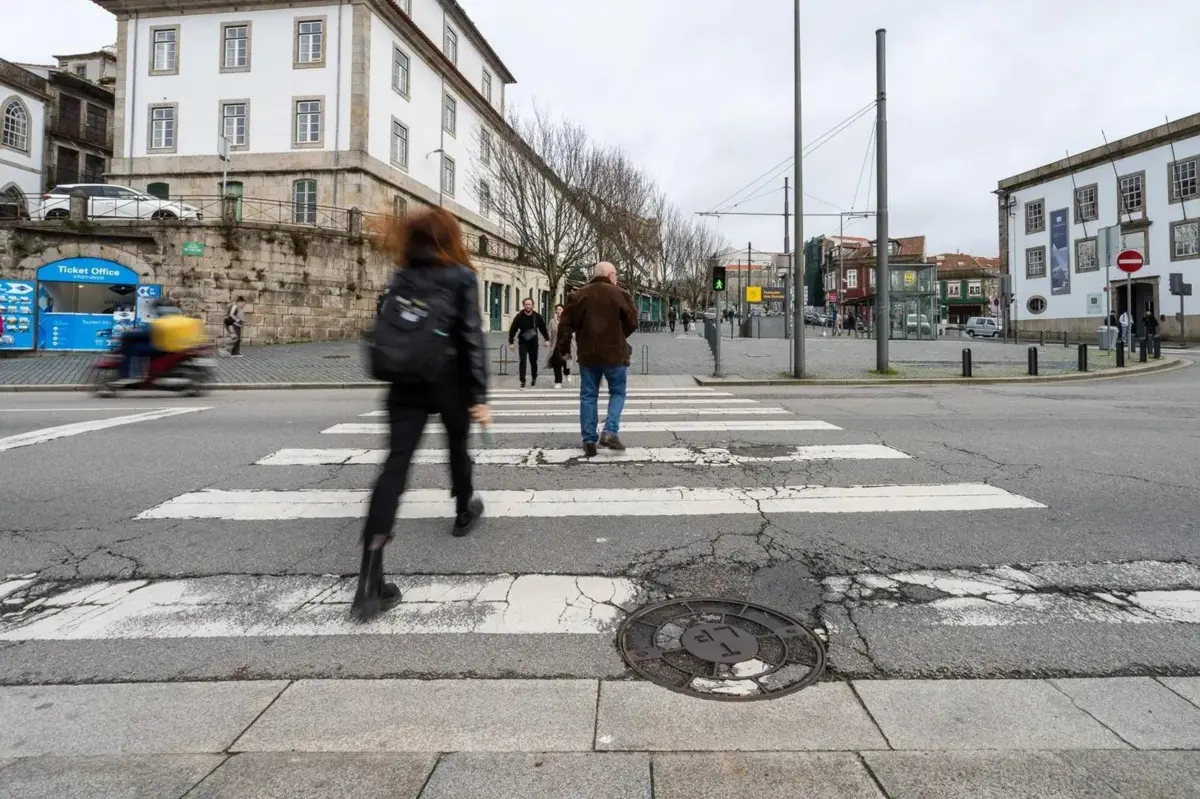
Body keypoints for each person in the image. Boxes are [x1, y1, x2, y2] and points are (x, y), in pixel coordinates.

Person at [353, 207, 490, 622]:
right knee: (456, 448)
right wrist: (479, 395)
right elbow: (471, 337)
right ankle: (464, 510)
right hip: (449, 380)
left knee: (395, 465)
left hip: (405, 379)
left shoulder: (403, 273)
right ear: (451, 238)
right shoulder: (462, 276)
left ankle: (369, 579)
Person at [555, 261, 638, 456]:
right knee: (617, 393)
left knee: (588, 395)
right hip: (615, 354)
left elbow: (565, 326)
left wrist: (564, 349)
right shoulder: (621, 294)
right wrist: (618, 335)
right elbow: (633, 323)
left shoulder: (577, 295)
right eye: (616, 274)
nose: (616, 278)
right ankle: (609, 431)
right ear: (610, 275)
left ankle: (589, 440)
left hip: (588, 354)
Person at [508, 297, 550, 389]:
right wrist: (511, 342)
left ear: (532, 305)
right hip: (523, 342)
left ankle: (534, 378)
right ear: (523, 305)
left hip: (533, 342)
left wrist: (547, 339)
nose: (528, 306)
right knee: (522, 361)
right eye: (526, 304)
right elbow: (513, 329)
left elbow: (543, 329)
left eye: (529, 304)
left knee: (533, 361)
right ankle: (522, 381)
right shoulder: (519, 317)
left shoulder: (537, 316)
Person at [546, 303, 574, 388]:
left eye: (560, 309)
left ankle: (567, 372)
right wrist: (548, 340)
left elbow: (573, 331)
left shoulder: (568, 320)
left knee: (565, 361)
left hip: (566, 345)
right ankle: (558, 382)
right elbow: (549, 332)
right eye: (557, 309)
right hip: (556, 345)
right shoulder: (552, 321)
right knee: (556, 363)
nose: (558, 311)